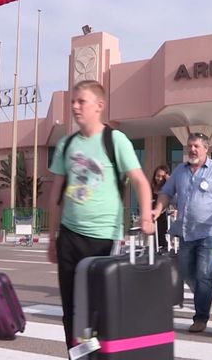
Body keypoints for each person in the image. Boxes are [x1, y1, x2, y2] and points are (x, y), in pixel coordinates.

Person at [47, 80, 154, 351]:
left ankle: (103, 355)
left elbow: (140, 181)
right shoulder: (67, 144)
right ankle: (79, 356)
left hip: (105, 237)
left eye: (81, 101)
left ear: (99, 106)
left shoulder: (114, 140)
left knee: (100, 307)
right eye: (73, 101)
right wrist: (52, 238)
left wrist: (145, 219)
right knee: (71, 307)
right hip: (70, 235)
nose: (74, 106)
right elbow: (55, 193)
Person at [152, 132, 212, 333]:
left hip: (211, 231)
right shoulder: (180, 171)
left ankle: (200, 317)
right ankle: (207, 293)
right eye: (189, 146)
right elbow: (166, 192)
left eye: (196, 146)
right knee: (186, 272)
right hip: (185, 231)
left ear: (205, 149)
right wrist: (158, 210)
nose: (192, 150)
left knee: (203, 273)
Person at [151, 164, 171, 250]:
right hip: (152, 219)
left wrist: (169, 180)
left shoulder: (167, 190)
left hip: (164, 220)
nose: (159, 178)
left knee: (162, 242)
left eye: (162, 177)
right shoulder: (151, 188)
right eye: (157, 176)